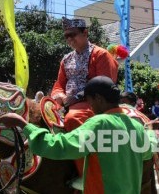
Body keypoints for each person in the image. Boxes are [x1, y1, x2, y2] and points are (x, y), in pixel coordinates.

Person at [0, 76, 151, 193]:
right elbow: (147, 152)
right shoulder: (137, 127)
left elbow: (60, 146)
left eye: (89, 101)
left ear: (98, 98)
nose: (89, 106)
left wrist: (24, 125)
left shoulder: (100, 124)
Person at [50, 17, 118, 176]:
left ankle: (86, 174)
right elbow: (59, 83)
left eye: (72, 34)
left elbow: (105, 84)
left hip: (93, 103)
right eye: (66, 36)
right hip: (66, 103)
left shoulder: (101, 55)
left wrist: (77, 97)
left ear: (85, 33)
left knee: (72, 119)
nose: (69, 39)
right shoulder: (66, 59)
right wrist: (58, 94)